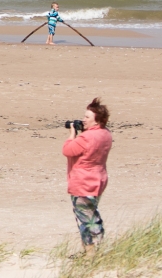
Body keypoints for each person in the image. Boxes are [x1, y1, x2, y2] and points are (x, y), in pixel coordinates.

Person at [63, 98, 112, 253]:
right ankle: (98, 248)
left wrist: (72, 134)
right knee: (92, 214)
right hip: (98, 179)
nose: (83, 120)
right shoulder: (105, 134)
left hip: (83, 182)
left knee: (85, 219)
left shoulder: (86, 138)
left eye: (87, 117)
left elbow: (68, 150)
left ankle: (91, 254)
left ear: (96, 121)